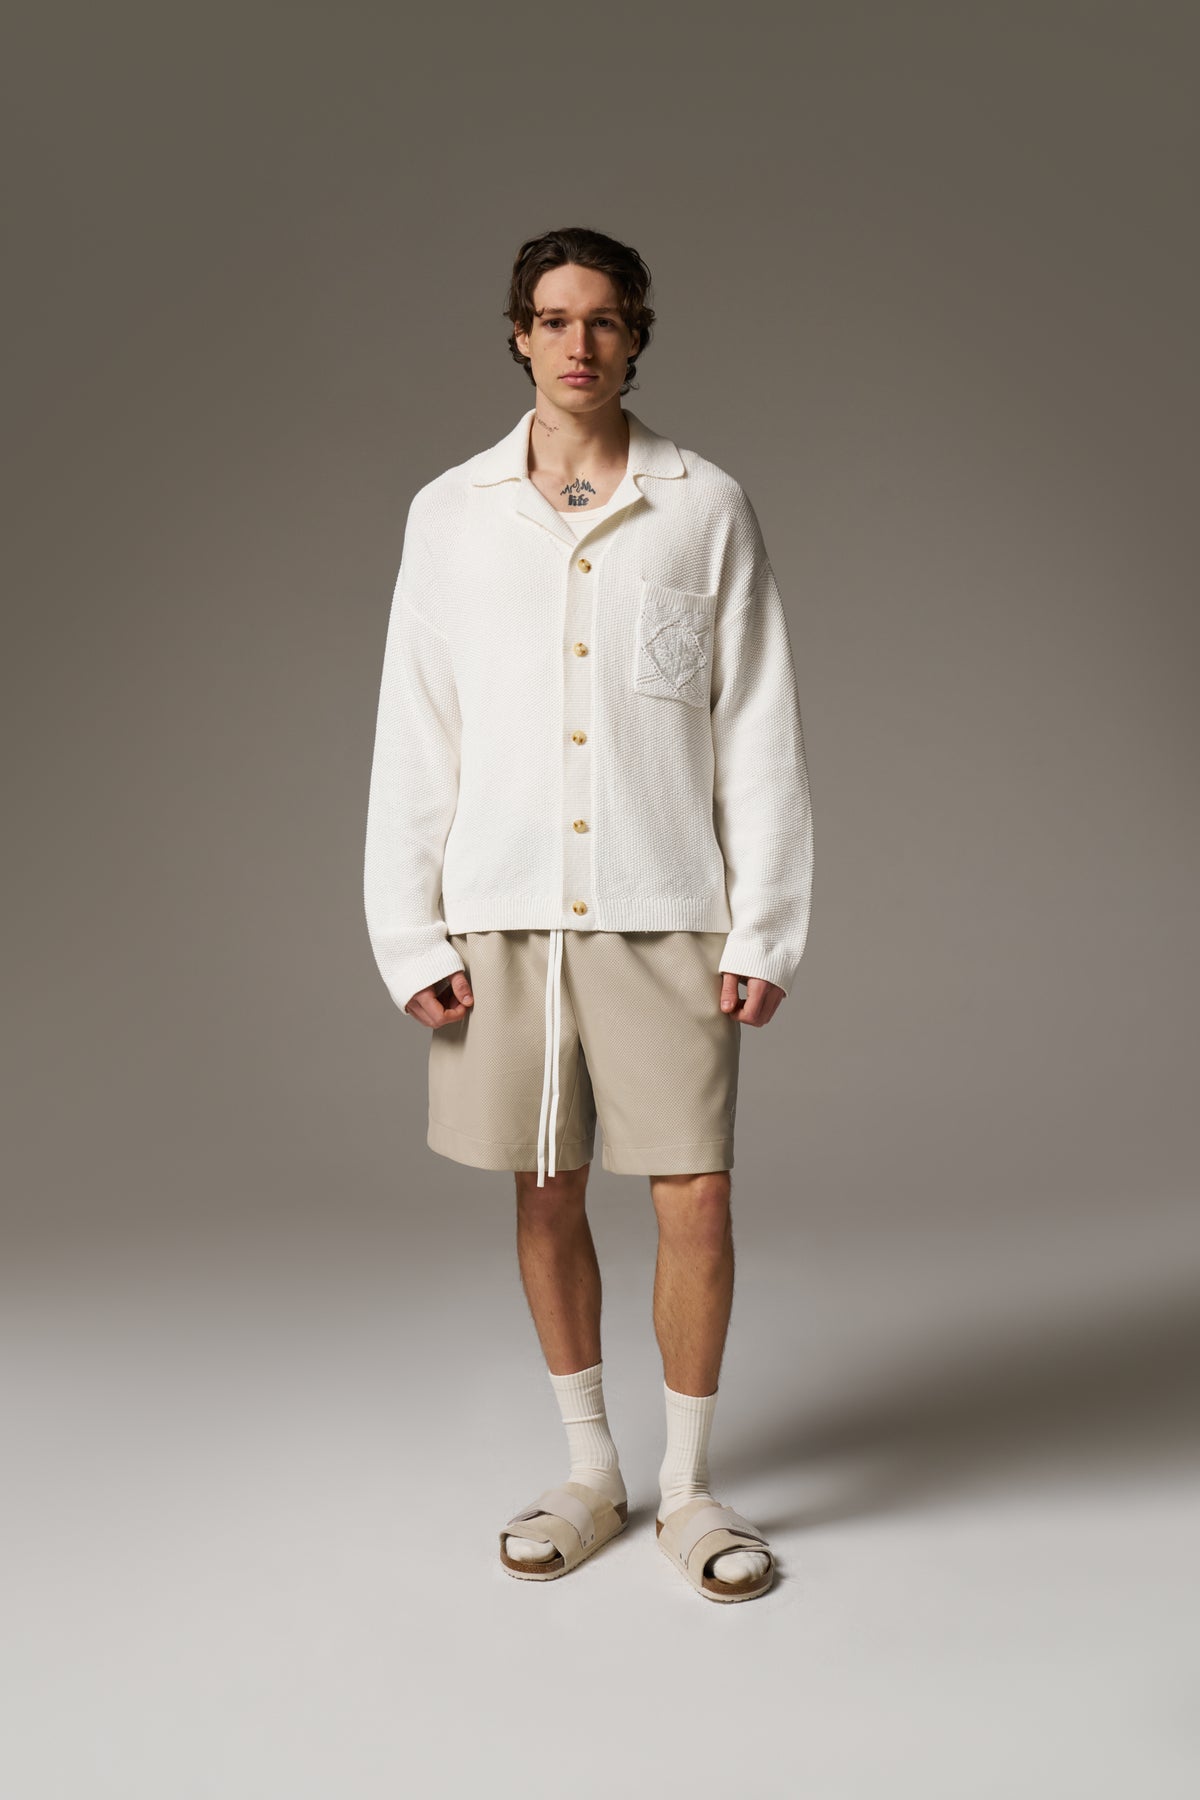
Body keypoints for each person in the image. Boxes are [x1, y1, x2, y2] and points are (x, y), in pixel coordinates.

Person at [363, 226, 813, 1603]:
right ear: (518, 333)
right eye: (554, 319)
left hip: (664, 904)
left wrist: (767, 924)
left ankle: (690, 1490)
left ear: (636, 336)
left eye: (604, 320)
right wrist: (407, 932)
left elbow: (758, 724)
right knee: (543, 1187)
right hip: (501, 908)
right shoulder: (450, 513)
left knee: (698, 1195)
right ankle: (591, 1472)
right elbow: (415, 727)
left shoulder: (705, 506)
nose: (579, 344)